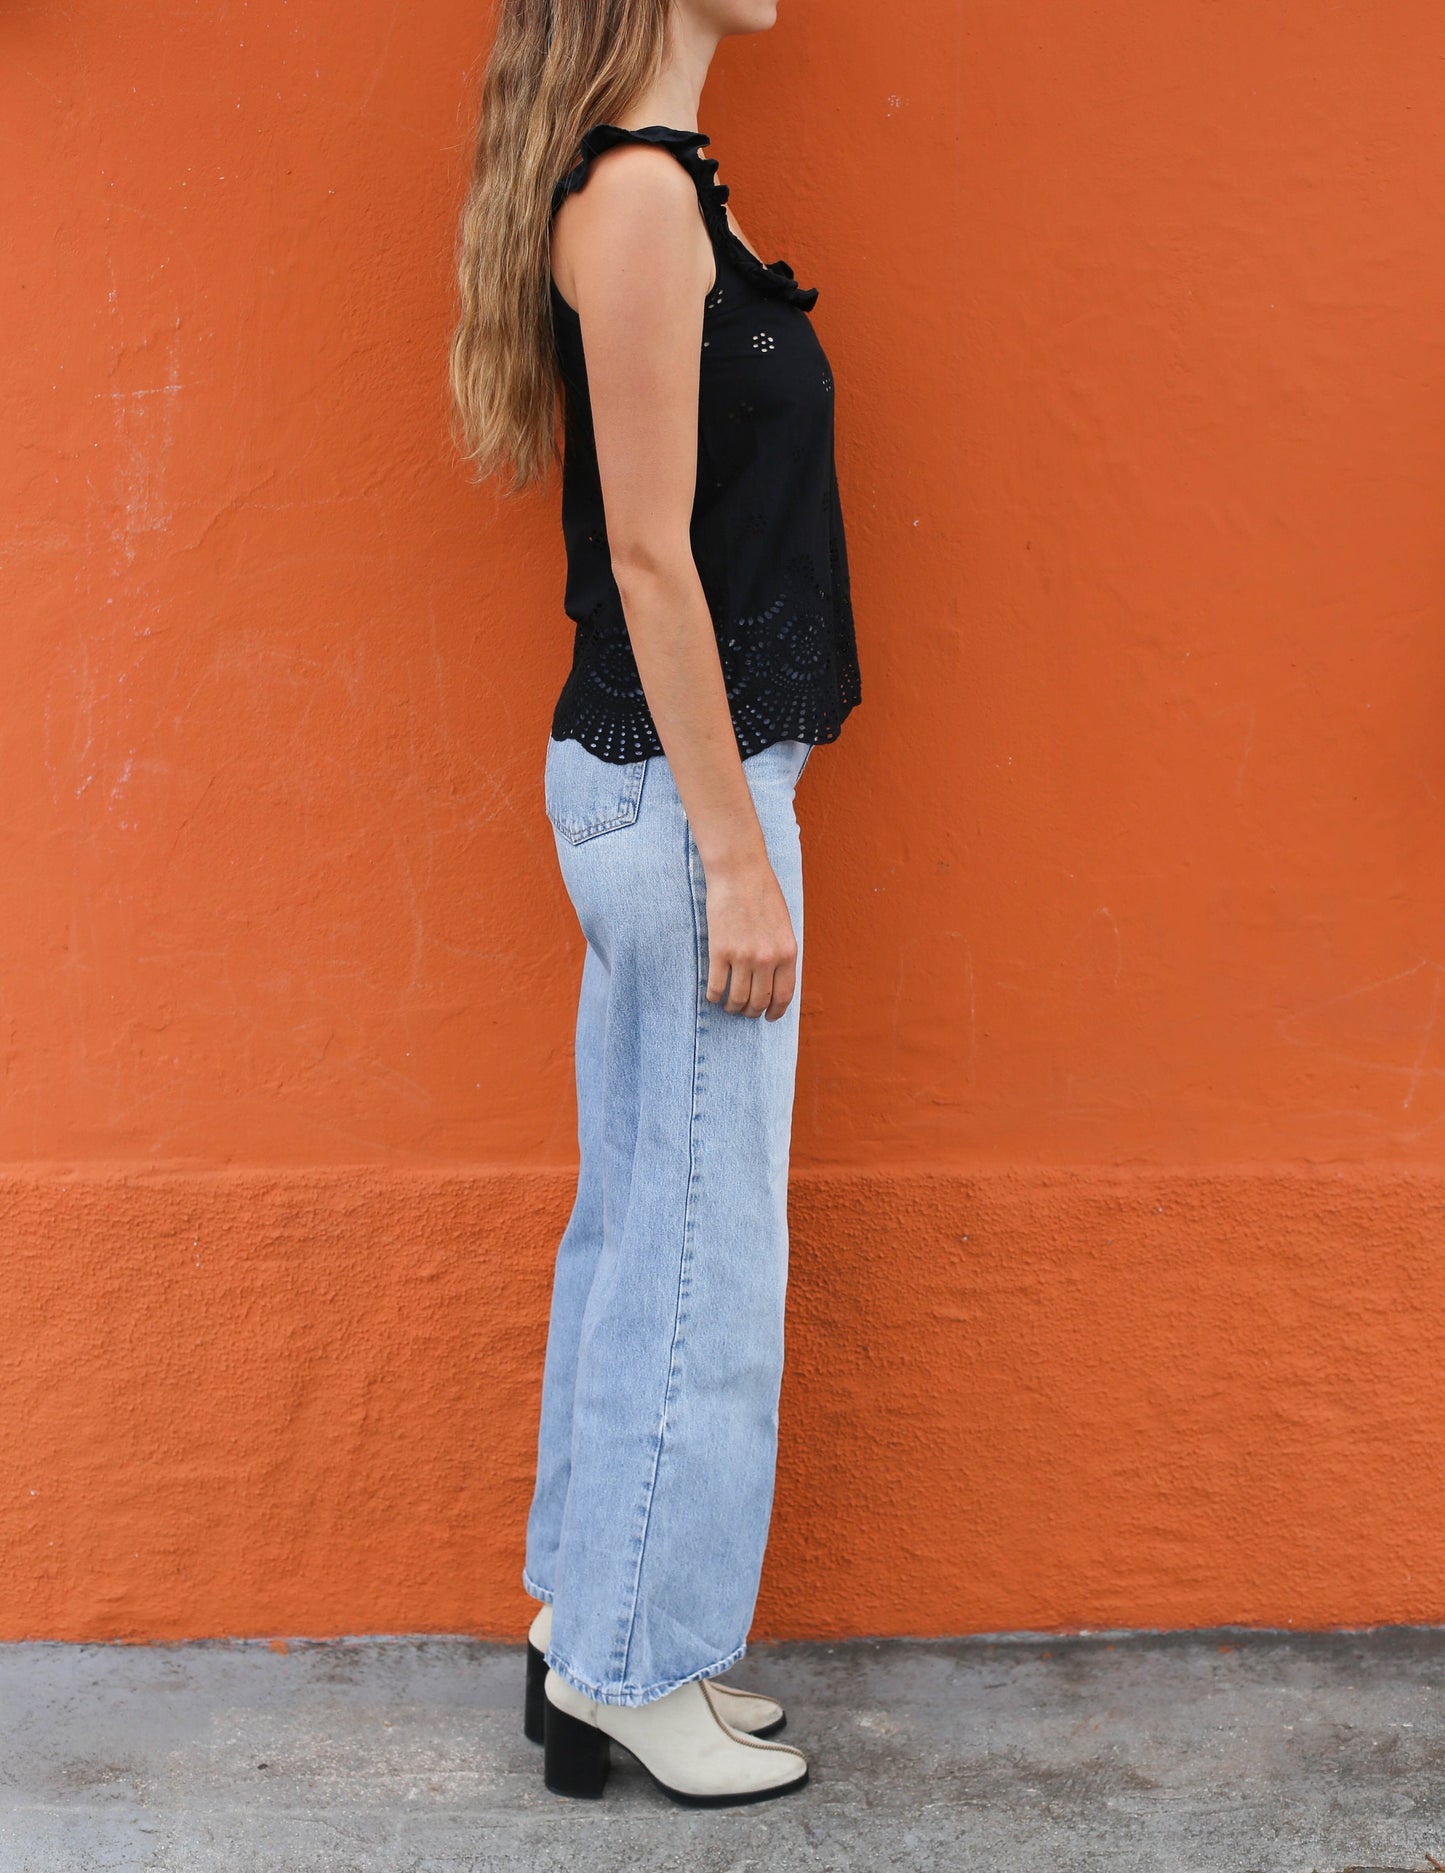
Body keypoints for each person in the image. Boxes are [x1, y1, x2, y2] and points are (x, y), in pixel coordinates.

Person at [449, 0, 860, 1810]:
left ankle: (585, 1633)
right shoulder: (633, 199)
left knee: (646, 1231)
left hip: (679, 786)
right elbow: (645, 549)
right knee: (701, 1251)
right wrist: (737, 854)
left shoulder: (671, 186)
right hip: (680, 795)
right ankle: (636, 1665)